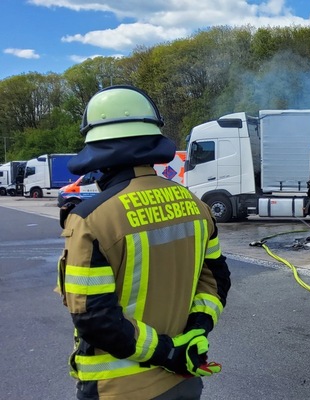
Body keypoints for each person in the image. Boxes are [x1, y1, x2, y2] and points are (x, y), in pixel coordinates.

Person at [57, 85, 231, 399]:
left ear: (99, 155)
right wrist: (196, 331)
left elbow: (96, 320)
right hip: (185, 382)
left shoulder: (90, 219)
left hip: (119, 389)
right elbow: (216, 281)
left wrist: (167, 353)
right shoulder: (196, 205)